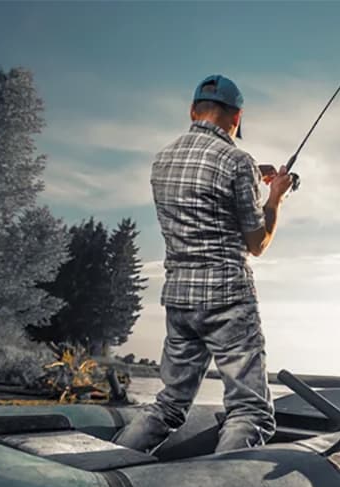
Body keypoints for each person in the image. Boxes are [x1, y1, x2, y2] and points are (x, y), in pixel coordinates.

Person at [113, 74, 293, 453]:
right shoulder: (237, 161)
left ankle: (105, 467)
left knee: (169, 406)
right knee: (250, 412)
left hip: (179, 300)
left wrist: (252, 178)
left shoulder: (162, 160)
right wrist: (275, 196)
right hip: (227, 300)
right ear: (237, 117)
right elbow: (257, 242)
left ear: (193, 110)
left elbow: (202, 190)